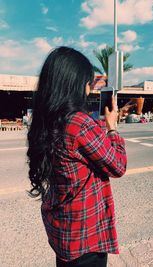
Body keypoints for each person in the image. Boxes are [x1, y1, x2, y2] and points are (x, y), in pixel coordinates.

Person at [27, 46, 127, 267]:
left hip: (64, 233)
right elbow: (118, 165)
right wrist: (112, 129)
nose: (89, 90)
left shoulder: (48, 120)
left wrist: (101, 124)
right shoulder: (78, 123)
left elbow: (79, 144)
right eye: (87, 83)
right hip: (85, 237)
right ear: (74, 83)